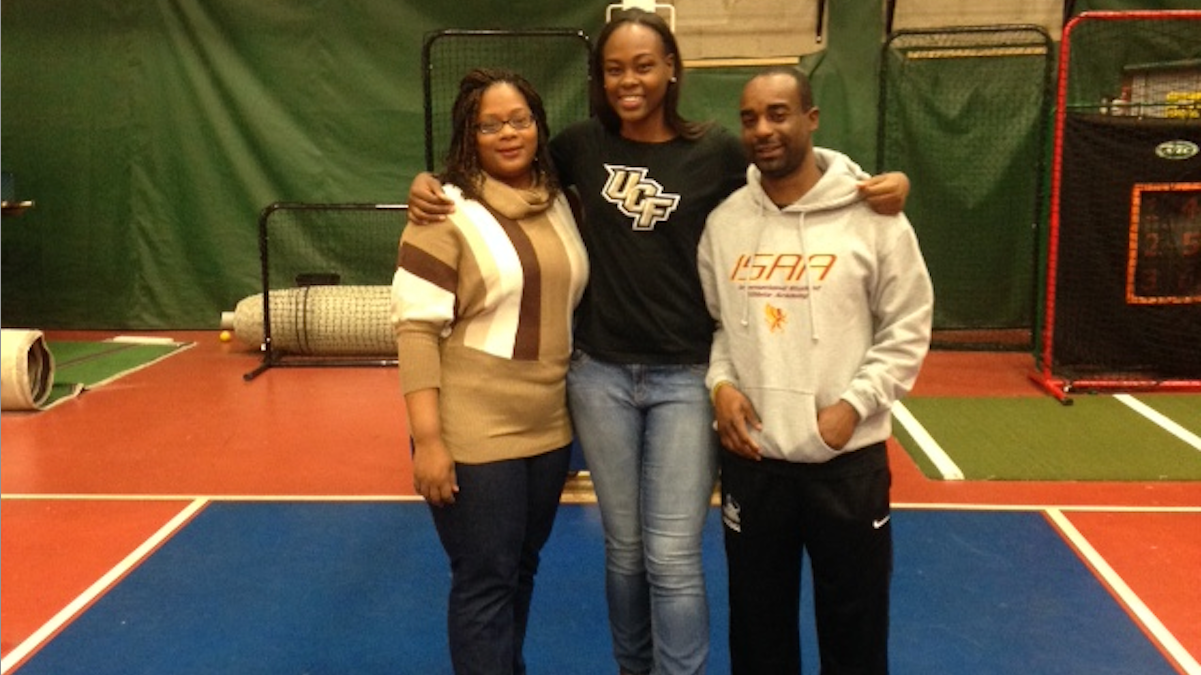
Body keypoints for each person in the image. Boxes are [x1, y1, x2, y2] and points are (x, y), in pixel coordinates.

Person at [405, 10, 911, 675]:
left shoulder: (719, 151)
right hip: (597, 378)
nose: (629, 80)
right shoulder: (580, 146)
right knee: (622, 549)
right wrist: (428, 184)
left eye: (643, 64)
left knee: (670, 554)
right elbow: (501, 169)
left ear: (672, 68)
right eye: (614, 68)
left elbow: (790, 173)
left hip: (683, 377)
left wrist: (869, 180)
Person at [698, 66, 934, 675]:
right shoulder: (725, 224)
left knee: (855, 633)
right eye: (750, 118)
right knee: (757, 633)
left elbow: (907, 327)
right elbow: (721, 328)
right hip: (754, 463)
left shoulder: (874, 217)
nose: (763, 129)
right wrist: (721, 386)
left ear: (811, 119)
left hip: (847, 464)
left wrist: (852, 406)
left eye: (778, 113)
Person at [390, 67, 589, 675]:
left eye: (520, 120)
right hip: (473, 432)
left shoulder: (561, 203)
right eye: (490, 124)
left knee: (520, 570)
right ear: (468, 136)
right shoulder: (441, 213)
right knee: (484, 579)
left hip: (549, 428)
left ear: (539, 126)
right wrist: (429, 442)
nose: (508, 133)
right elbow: (417, 331)